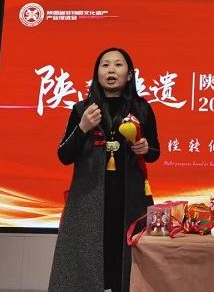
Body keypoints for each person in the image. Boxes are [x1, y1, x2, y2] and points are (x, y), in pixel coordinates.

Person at [48, 48, 161, 292]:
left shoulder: (142, 108)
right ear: (97, 73)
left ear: (129, 75)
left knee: (126, 268)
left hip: (129, 200)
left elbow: (154, 152)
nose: (111, 70)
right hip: (89, 201)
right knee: (86, 270)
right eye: (105, 65)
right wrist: (82, 128)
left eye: (118, 65)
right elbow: (64, 155)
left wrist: (145, 148)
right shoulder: (82, 110)